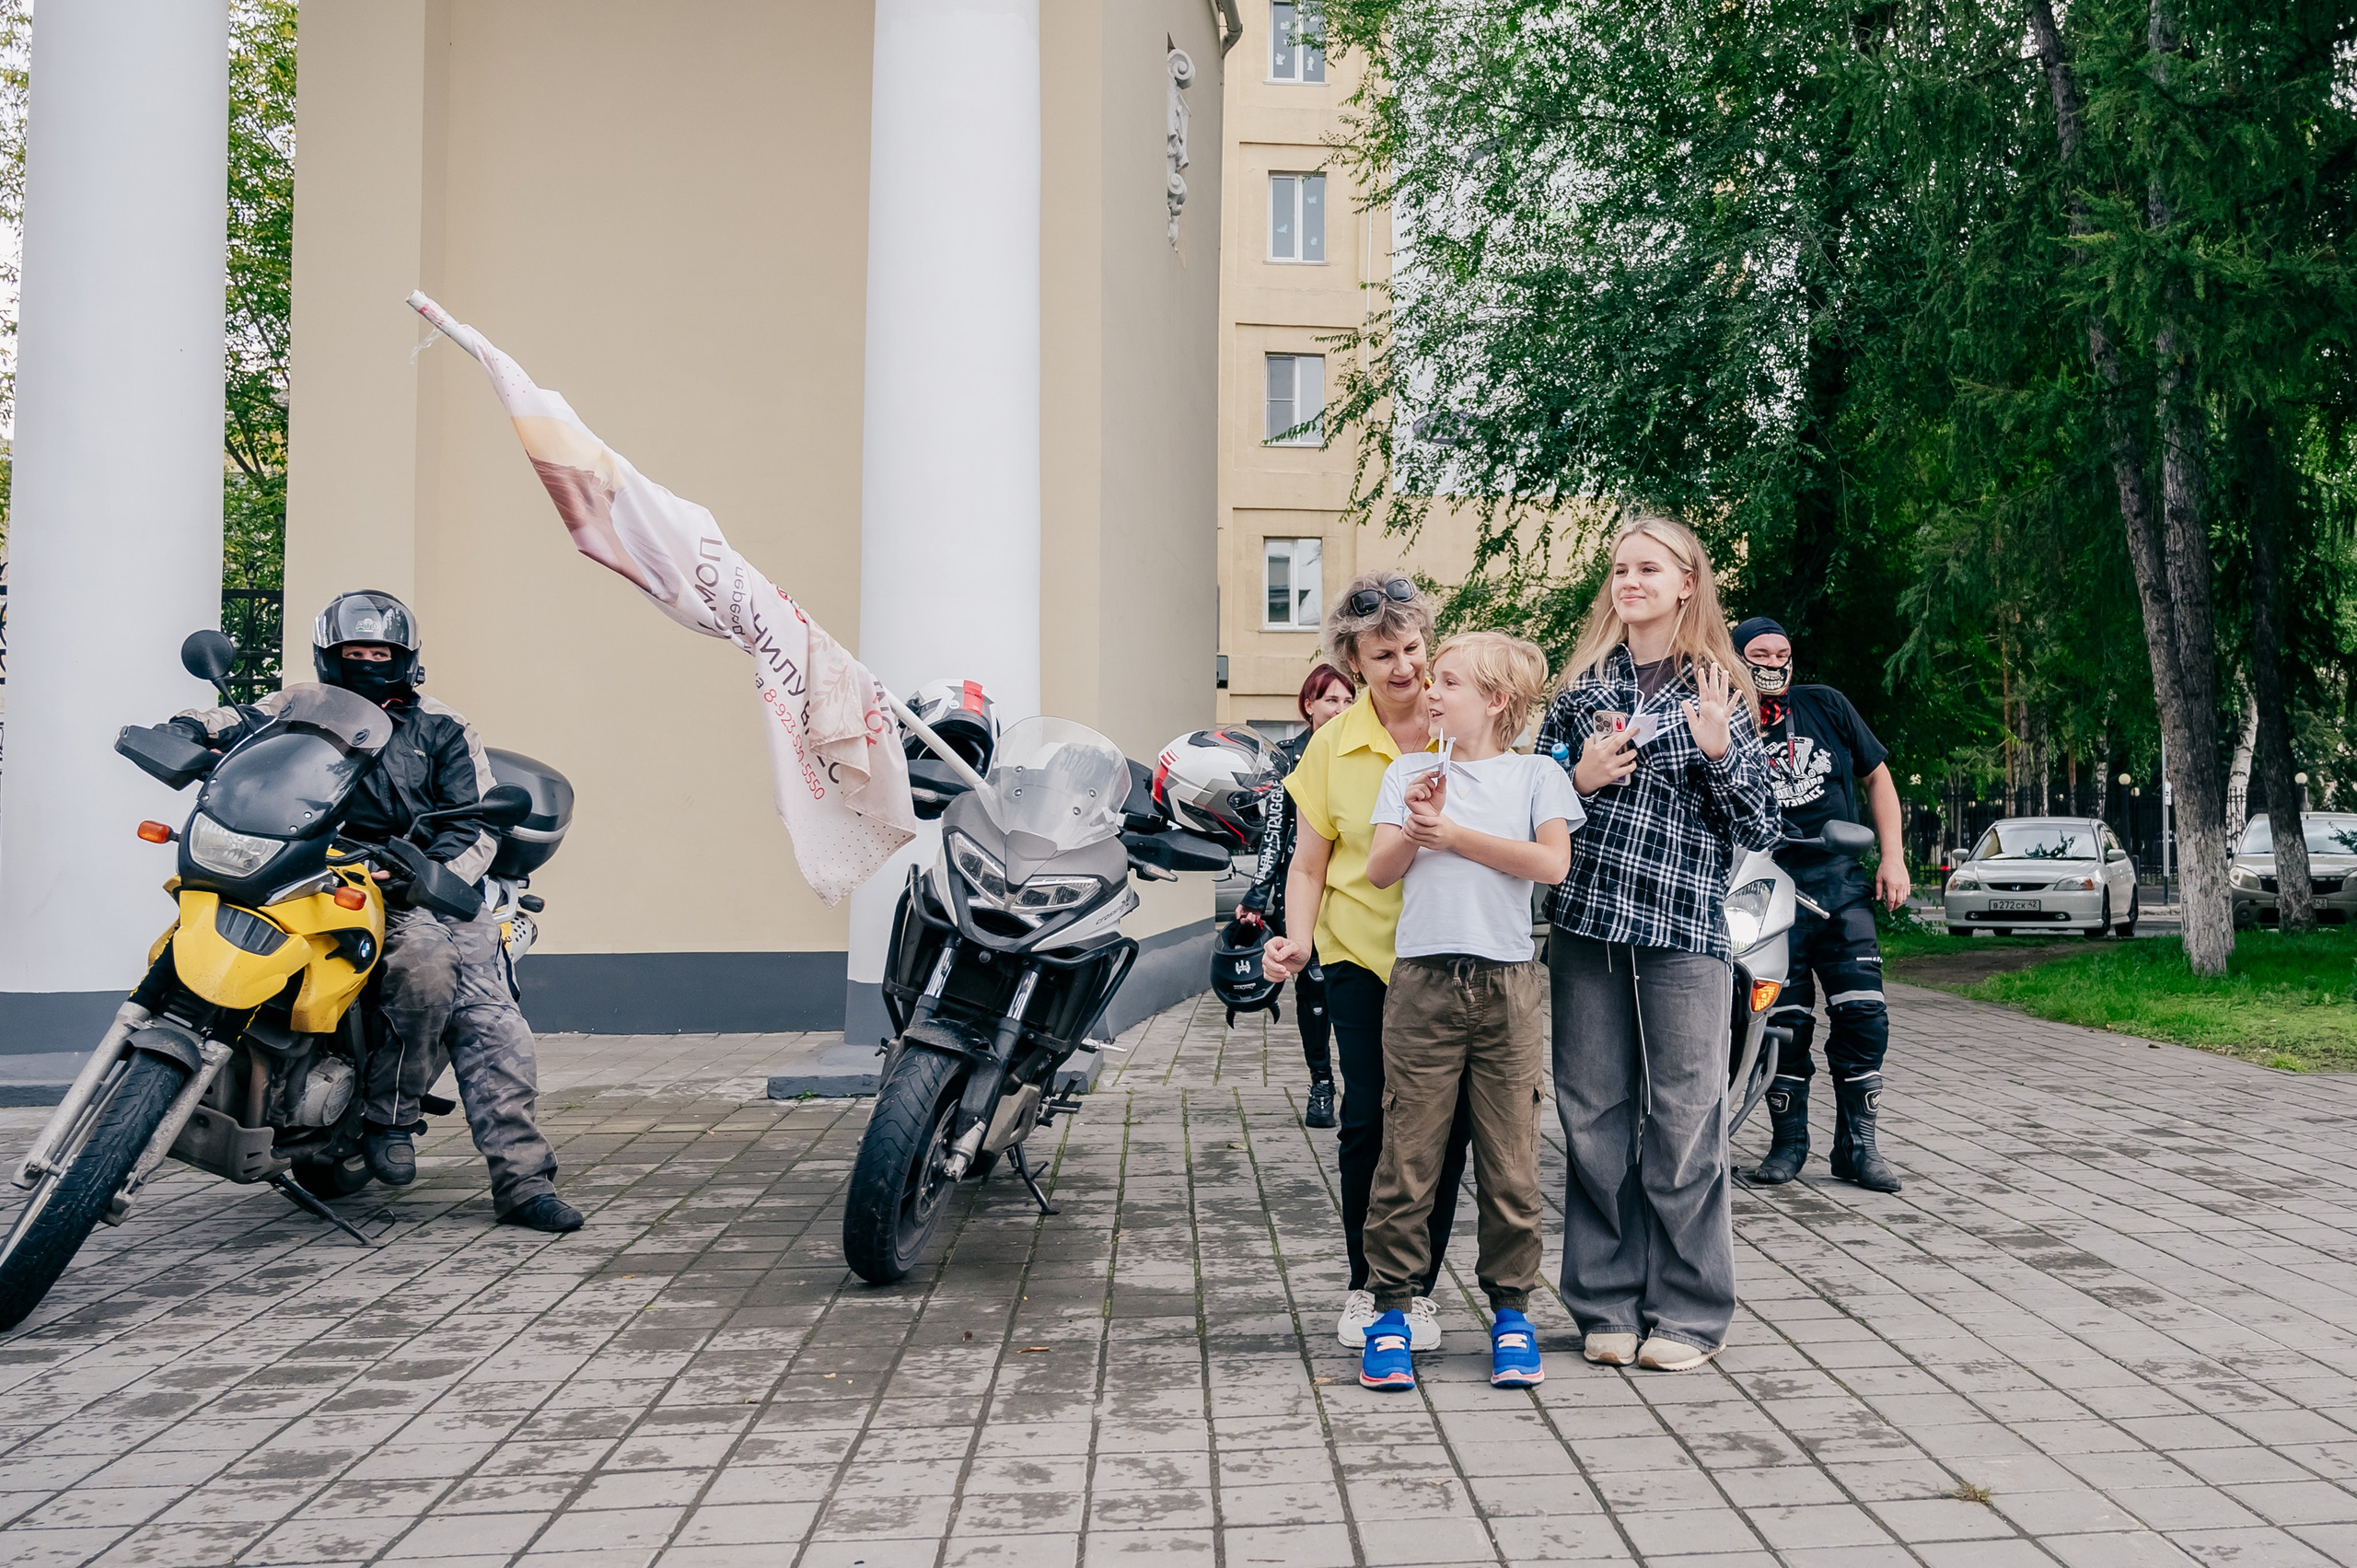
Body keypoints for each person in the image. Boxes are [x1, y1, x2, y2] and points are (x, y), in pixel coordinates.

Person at [168, 590, 583, 1234]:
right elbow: (241, 721)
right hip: (312, 870)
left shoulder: (444, 726)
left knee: (480, 1014)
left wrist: (429, 874)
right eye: (354, 652)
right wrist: (189, 727)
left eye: (380, 652)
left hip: (415, 887)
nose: (368, 662)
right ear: (330, 657)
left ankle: (511, 1177)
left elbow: (476, 826)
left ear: (405, 658)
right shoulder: (302, 705)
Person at [1534, 516, 1779, 1372]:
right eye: (1617, 569)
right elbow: (1529, 807)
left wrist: (1716, 752)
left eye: (1647, 568)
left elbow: (1759, 823)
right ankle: (1602, 1302)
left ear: (1686, 583)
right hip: (1588, 927)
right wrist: (1576, 780)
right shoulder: (1582, 690)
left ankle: (1687, 1312)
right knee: (1593, 1116)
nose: (1627, 581)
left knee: (1684, 1120)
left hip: (1682, 932)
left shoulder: (1719, 689)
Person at [1355, 633, 1580, 1394]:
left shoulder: (1537, 775)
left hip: (1509, 984)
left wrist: (1455, 835)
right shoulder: (1411, 771)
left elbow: (1551, 864)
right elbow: (1381, 873)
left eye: (1447, 680)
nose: (1429, 689)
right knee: (1408, 1154)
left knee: (1511, 1158)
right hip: (1421, 983)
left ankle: (1511, 1314)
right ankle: (1392, 1310)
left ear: (1496, 700)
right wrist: (1420, 826)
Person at [1261, 573, 1473, 1353]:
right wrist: (1298, 938)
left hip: (1451, 956)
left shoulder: (1466, 722)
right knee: (1366, 1122)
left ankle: (1416, 1290)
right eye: (1382, 654)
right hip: (1363, 958)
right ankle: (1365, 1282)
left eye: (1412, 647)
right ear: (1353, 661)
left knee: (1444, 1130)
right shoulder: (1333, 744)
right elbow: (1310, 864)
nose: (1404, 667)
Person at [1734, 617, 1909, 1193]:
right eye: (1759, 653)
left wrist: (1894, 857)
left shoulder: (1827, 705)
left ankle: (1860, 1147)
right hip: (1763, 883)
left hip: (1840, 880)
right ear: (1737, 657)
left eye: (1783, 651)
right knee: (1782, 1021)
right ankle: (1788, 1145)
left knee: (1864, 1012)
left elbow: (1878, 779)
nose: (1774, 662)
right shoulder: (1724, 719)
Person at [1239, 663, 1356, 1128]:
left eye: (1349, 701)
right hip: (1303, 887)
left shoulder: (1356, 751)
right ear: (1309, 705)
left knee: (1349, 987)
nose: (1341, 709)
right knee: (1312, 991)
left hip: (1349, 888)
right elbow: (1273, 834)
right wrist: (1258, 892)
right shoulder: (1289, 758)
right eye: (1332, 700)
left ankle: (1360, 1082)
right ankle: (1321, 1083)